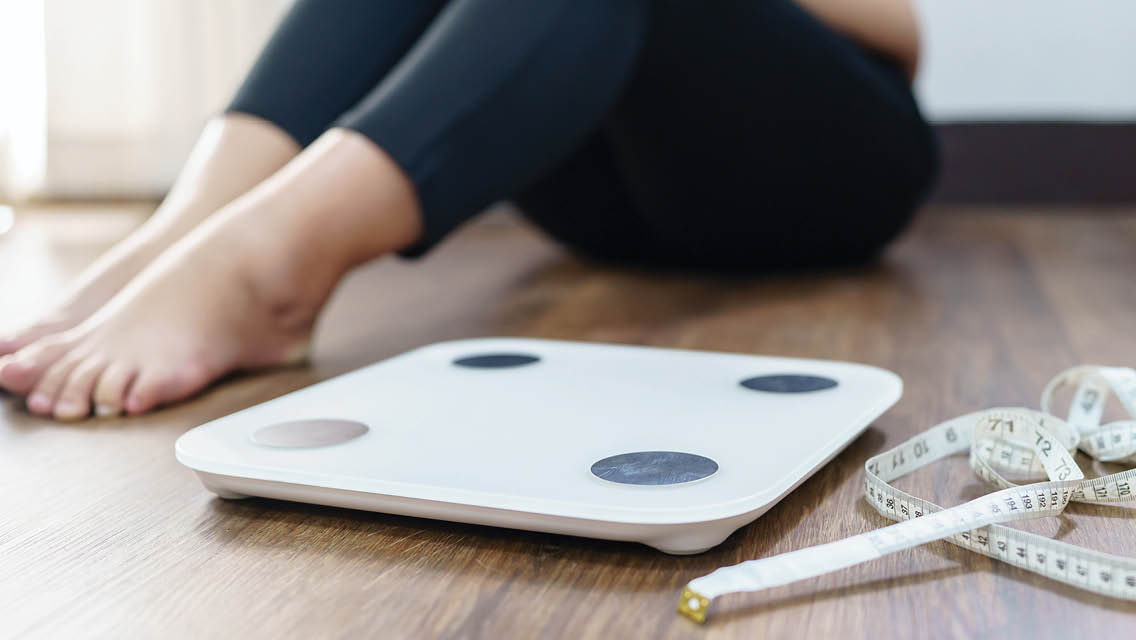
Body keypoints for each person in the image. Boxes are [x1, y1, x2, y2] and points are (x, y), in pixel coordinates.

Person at [0, 0, 938, 420]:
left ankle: (264, 272)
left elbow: (902, 30)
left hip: (823, 176)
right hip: (606, 196)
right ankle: (183, 235)